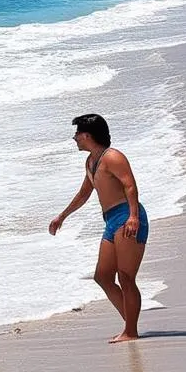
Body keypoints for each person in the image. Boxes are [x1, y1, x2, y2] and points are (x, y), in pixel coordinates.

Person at [49, 114, 149, 343]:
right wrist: (62, 216)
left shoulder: (112, 157)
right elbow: (84, 193)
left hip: (127, 215)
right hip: (111, 220)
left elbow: (130, 185)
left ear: (87, 135)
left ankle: (131, 331)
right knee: (103, 276)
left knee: (125, 276)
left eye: (77, 134)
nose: (74, 138)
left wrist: (133, 216)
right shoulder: (91, 162)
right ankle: (130, 321)